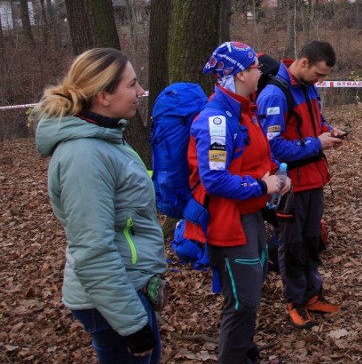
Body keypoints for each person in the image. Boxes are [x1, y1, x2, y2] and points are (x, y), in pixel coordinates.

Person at [34, 48, 167, 363]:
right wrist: (133, 325)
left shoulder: (107, 140)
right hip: (113, 299)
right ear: (104, 96)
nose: (140, 92)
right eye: (131, 85)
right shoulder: (85, 156)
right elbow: (92, 249)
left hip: (126, 289)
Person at [185, 41, 288, 364]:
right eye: (256, 67)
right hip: (230, 226)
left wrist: (277, 178)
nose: (261, 72)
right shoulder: (217, 120)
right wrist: (261, 184)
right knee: (242, 302)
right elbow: (215, 179)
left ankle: (245, 351)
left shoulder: (247, 110)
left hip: (252, 218)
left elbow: (258, 159)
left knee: (251, 295)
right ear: (241, 73)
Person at [257, 41, 345, 329]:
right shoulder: (274, 94)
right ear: (304, 63)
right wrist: (315, 143)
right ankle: (294, 300)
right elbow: (273, 148)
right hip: (289, 185)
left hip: (313, 180)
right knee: (291, 243)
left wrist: (327, 131)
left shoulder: (309, 88)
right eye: (319, 74)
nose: (321, 80)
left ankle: (311, 294)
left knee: (311, 241)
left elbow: (315, 122)